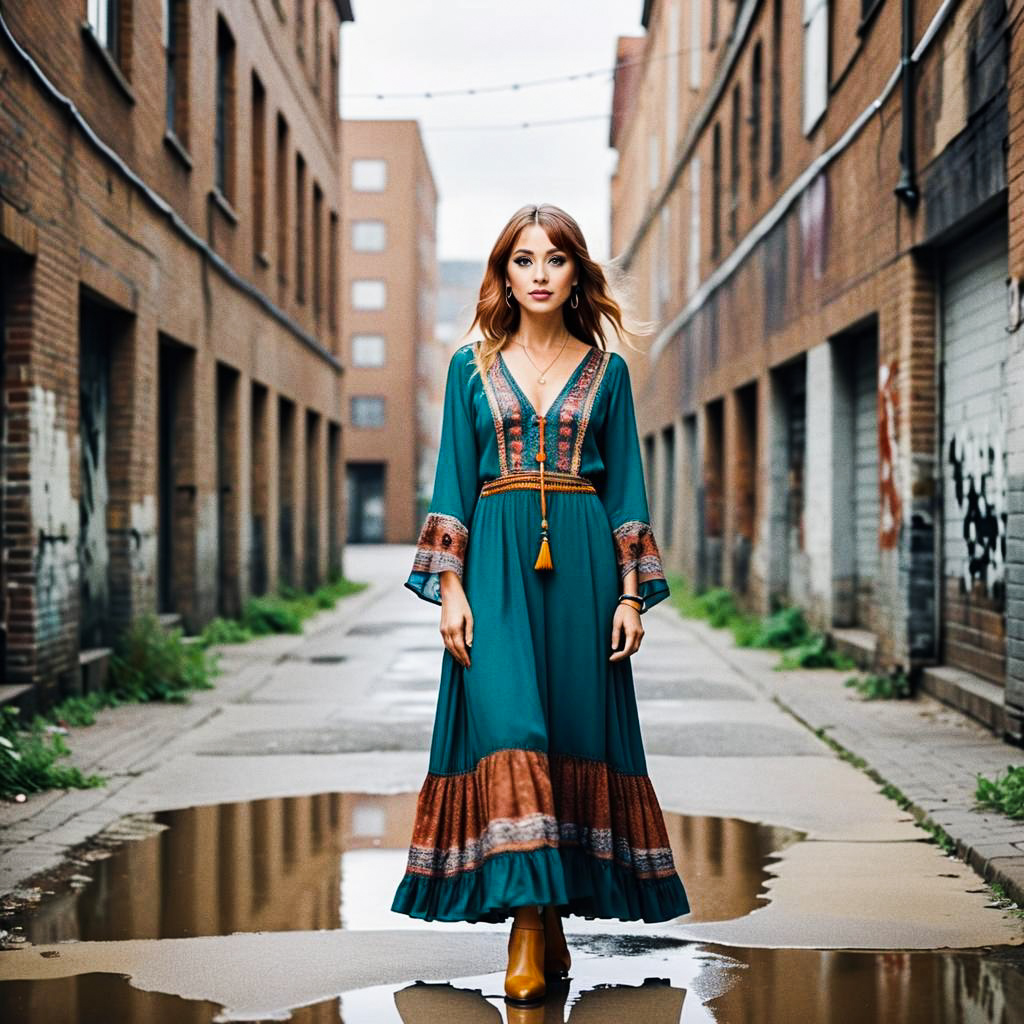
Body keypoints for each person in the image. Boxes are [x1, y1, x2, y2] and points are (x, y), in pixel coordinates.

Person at [391, 203, 690, 1008]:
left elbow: (625, 485)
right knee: (513, 729)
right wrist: (448, 589)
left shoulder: (609, 372)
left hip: (586, 566)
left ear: (576, 272)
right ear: (504, 274)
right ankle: (529, 929)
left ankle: (543, 916)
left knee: (571, 737)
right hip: (492, 562)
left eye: (554, 260)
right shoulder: (469, 367)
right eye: (523, 261)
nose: (539, 275)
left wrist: (631, 595)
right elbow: (452, 479)